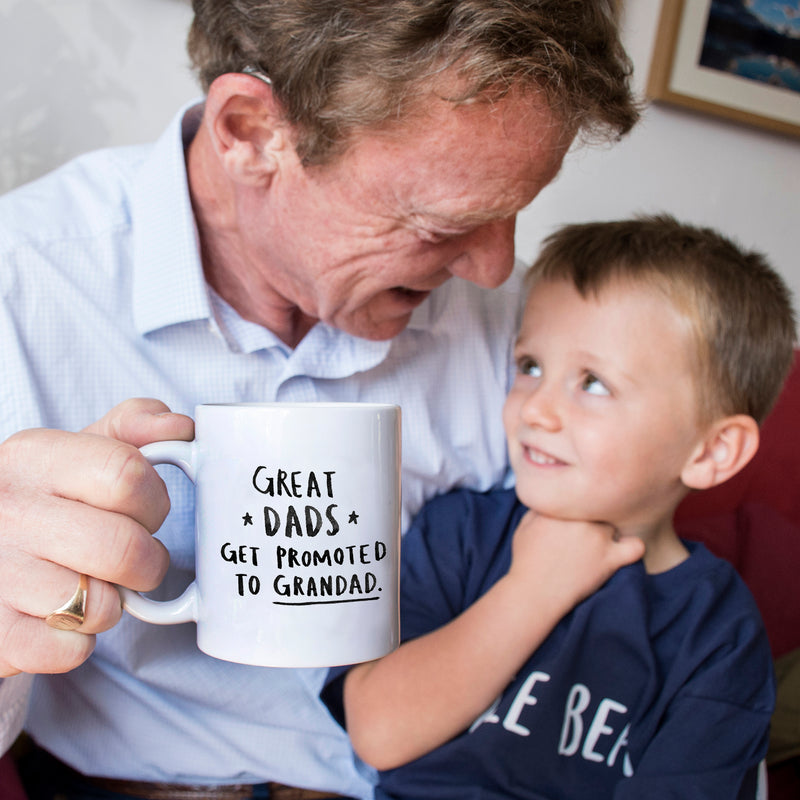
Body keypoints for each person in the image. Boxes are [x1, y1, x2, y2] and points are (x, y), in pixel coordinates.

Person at [0, 2, 641, 799]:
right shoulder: (23, 290)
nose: (490, 269)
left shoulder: (518, 330)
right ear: (250, 132)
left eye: (512, 210)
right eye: (444, 223)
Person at [324, 215, 795, 799]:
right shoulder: (459, 533)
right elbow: (378, 732)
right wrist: (534, 590)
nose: (536, 410)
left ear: (711, 452)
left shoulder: (716, 632)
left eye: (593, 382)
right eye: (530, 367)